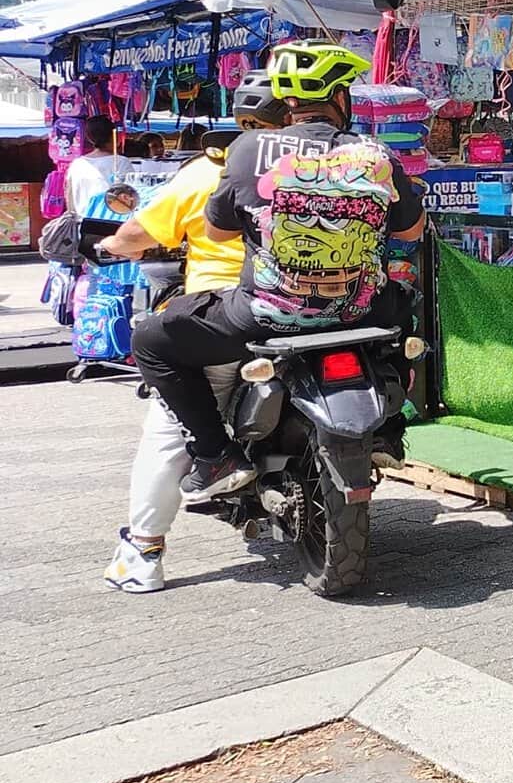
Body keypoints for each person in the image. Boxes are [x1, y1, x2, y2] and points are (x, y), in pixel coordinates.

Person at [133, 43, 425, 502]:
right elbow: (411, 229)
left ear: (286, 102)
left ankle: (215, 455)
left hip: (264, 317)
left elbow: (219, 231)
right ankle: (388, 431)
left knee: (151, 339)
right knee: (405, 299)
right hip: (361, 311)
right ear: (340, 98)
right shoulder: (375, 153)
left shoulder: (247, 149)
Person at [90, 113, 261, 594]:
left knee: (167, 427)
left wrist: (109, 242)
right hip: (336, 311)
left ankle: (143, 552)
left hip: (230, 314)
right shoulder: (329, 161)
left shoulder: (211, 172)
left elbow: (136, 235)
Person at [63, 115, 129, 218]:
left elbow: (69, 198)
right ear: (114, 136)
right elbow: (129, 197)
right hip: (110, 222)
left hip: (81, 222)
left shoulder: (77, 164)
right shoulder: (121, 162)